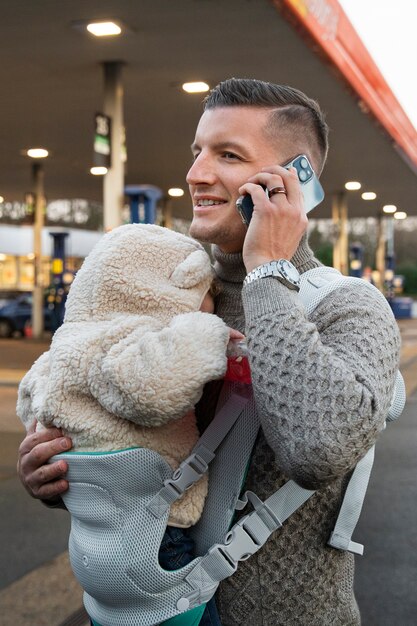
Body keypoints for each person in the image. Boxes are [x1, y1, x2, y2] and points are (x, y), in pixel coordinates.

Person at [17, 78, 401, 626]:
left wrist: (270, 267)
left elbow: (318, 450)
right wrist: (59, 471)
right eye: (197, 151)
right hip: (159, 609)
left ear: (295, 183)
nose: (197, 173)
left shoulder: (351, 307)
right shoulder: (168, 288)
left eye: (228, 155)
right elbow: (128, 438)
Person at [17, 223, 238, 626]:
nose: (211, 306)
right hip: (157, 535)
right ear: (168, 289)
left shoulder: (67, 345)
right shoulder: (128, 340)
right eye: (208, 295)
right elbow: (152, 391)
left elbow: (31, 403)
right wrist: (207, 334)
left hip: (94, 537)